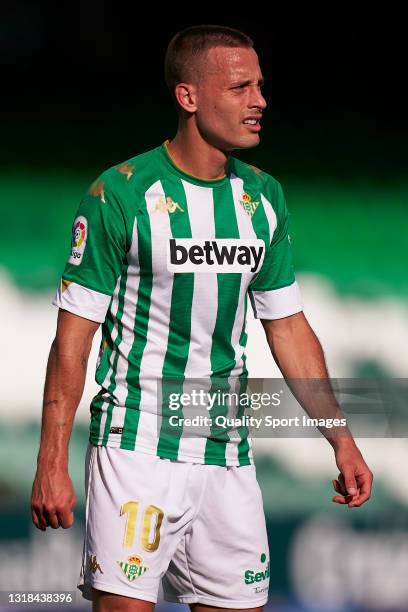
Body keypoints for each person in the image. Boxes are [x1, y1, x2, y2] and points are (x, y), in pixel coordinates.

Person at [31, 24, 373, 612]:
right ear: (188, 97)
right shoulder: (120, 194)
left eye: (260, 86)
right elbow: (72, 341)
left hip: (227, 454)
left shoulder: (263, 198)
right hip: (136, 450)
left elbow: (287, 326)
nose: (260, 101)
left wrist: (341, 439)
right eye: (241, 87)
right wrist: (50, 461)